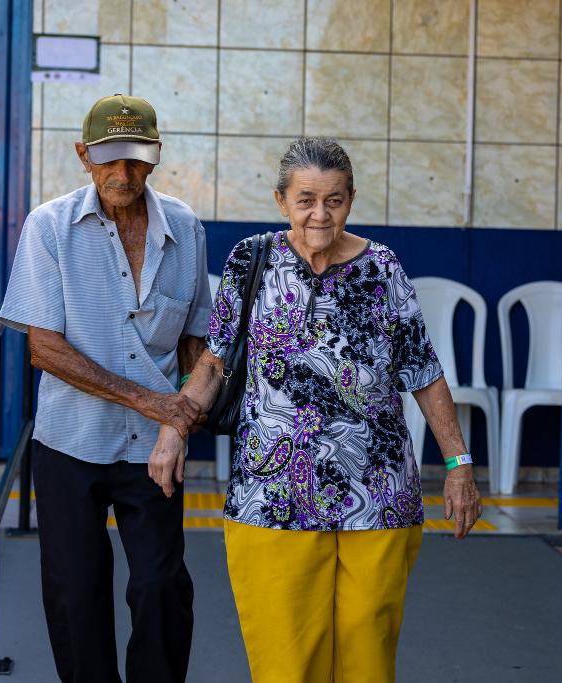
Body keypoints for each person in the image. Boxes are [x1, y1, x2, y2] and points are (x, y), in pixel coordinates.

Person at [147, 137, 482, 682]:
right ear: (281, 201)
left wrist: (458, 465)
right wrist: (173, 429)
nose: (319, 213)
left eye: (334, 200)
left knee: (367, 658)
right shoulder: (250, 261)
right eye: (305, 199)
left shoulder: (383, 269)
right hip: (272, 494)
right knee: (285, 662)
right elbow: (212, 363)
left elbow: (422, 369)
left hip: (378, 495)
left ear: (351, 200)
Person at [0, 94, 209, 683]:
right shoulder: (49, 226)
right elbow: (44, 349)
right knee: (76, 592)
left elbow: (195, 342)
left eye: (137, 159)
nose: (123, 174)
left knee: (162, 586)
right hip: (70, 441)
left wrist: (180, 417)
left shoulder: (187, 229)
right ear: (83, 155)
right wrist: (153, 400)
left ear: (156, 157)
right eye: (108, 159)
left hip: (153, 448)